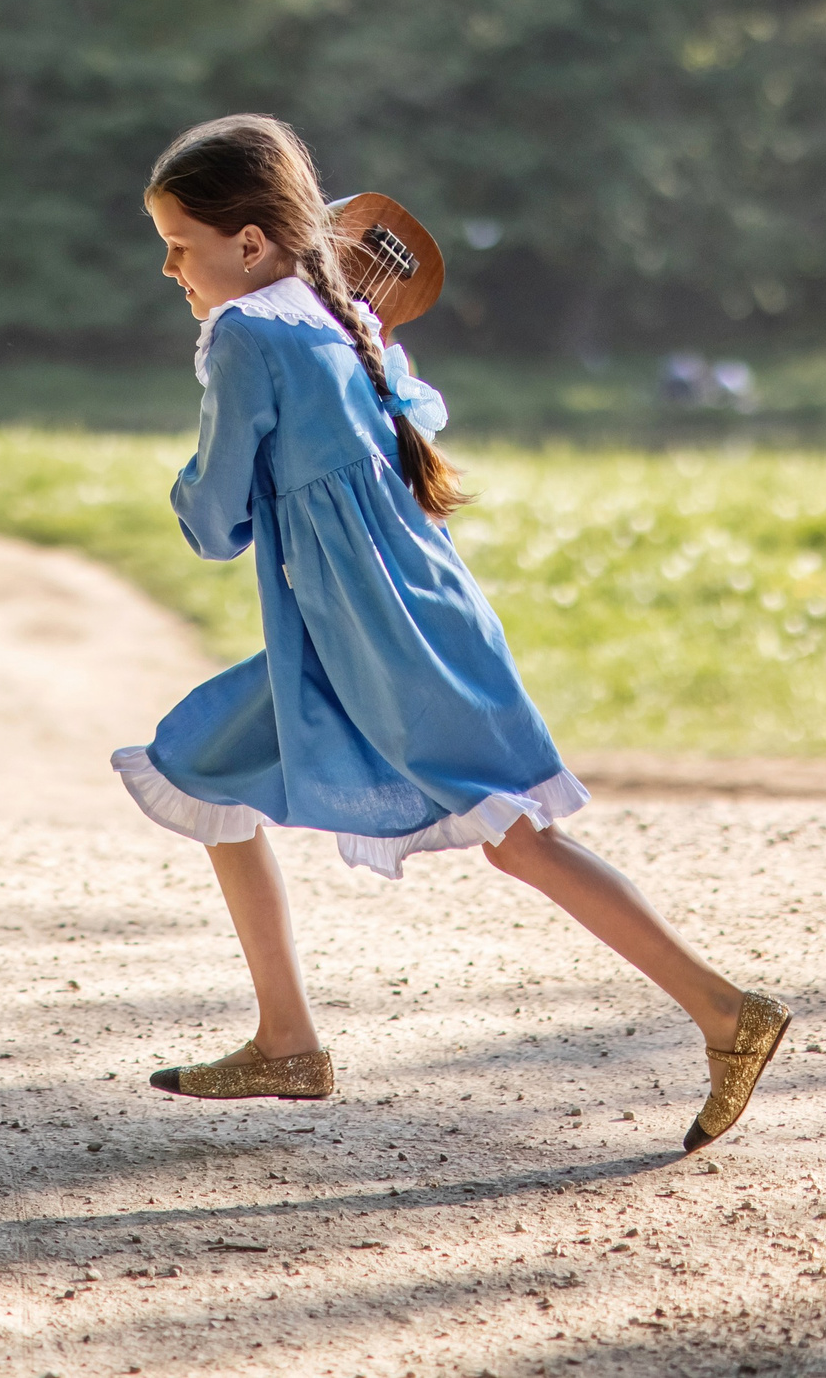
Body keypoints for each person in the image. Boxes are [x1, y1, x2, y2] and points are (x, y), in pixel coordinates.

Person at [115, 115, 785, 1153]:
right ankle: (286, 1041)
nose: (167, 268)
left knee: (519, 839)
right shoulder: (335, 322)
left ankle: (725, 1014)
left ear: (249, 245)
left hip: (387, 640)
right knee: (202, 768)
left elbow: (215, 524)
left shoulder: (251, 335)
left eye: (178, 243)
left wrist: (197, 459)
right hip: (381, 623)